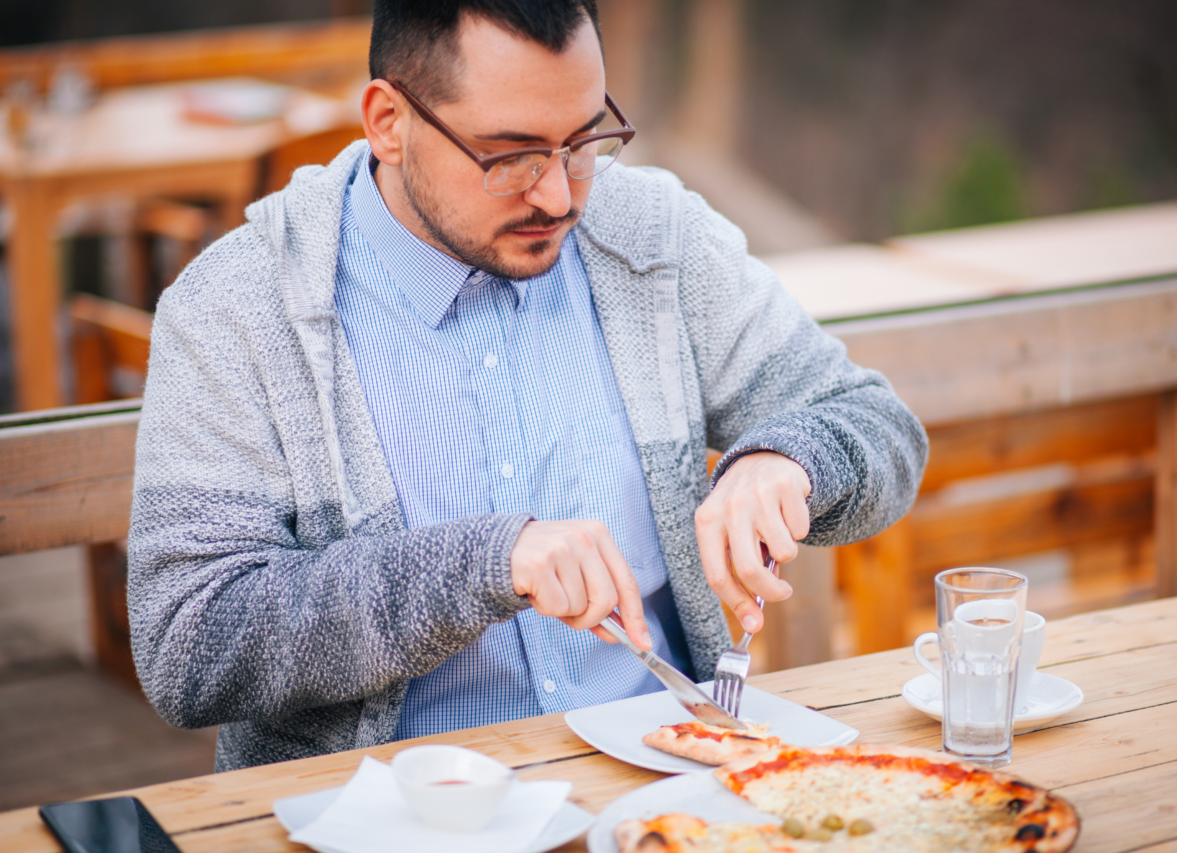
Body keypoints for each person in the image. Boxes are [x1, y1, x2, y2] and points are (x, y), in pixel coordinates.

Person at [128, 0, 927, 772]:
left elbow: (876, 423)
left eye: (581, 142)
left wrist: (788, 460)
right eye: (509, 155)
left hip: (664, 788)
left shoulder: (654, 237)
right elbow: (187, 646)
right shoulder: (237, 307)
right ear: (387, 122)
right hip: (380, 819)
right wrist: (482, 564)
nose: (558, 194)